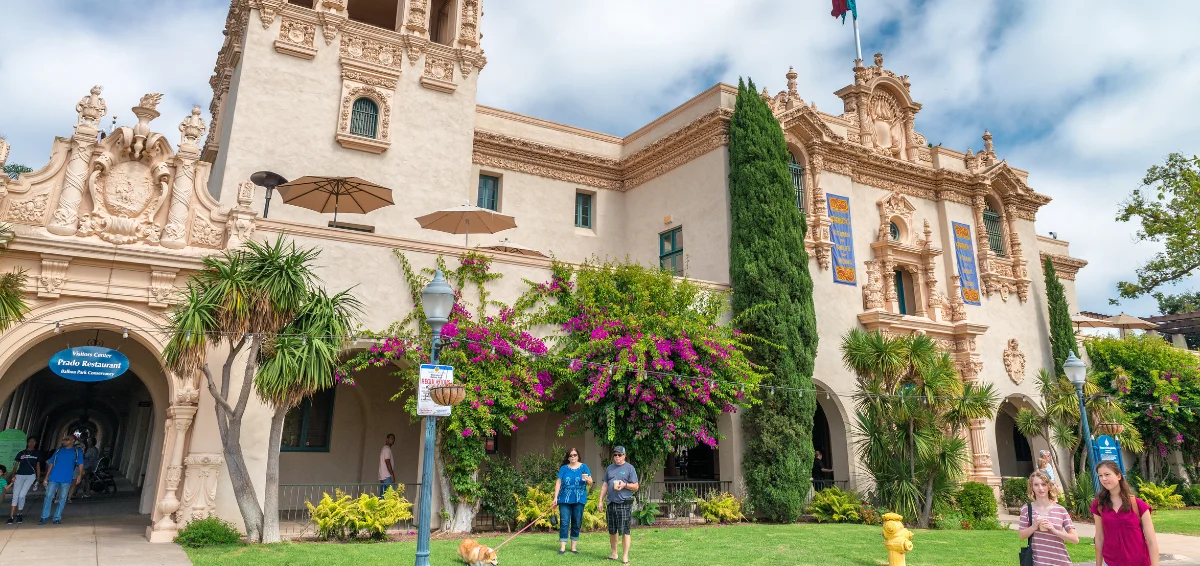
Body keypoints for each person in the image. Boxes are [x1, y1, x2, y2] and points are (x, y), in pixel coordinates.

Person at [1091, 460, 1160, 566]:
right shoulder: (1098, 505)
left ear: (1118, 476)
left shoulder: (1138, 505)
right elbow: (1099, 538)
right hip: (1111, 562)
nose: (1103, 479)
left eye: (1107, 474)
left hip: (1140, 562)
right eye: (1100, 475)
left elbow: (1151, 541)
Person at [1018, 470, 1078, 565]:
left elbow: (1075, 539)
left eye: (1043, 484)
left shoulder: (1060, 510)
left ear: (1049, 486)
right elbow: (1021, 535)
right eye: (1036, 485)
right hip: (1038, 562)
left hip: (1061, 561)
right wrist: (1033, 527)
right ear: (1032, 487)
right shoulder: (1026, 509)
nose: (1040, 488)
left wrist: (1054, 530)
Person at [598, 446, 639, 566]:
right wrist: (600, 500)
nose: (617, 457)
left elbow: (636, 486)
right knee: (612, 530)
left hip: (624, 503)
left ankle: (625, 556)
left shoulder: (630, 468)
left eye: (619, 455)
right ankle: (614, 553)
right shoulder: (610, 468)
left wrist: (625, 485)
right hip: (611, 503)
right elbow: (605, 485)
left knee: (625, 530)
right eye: (615, 455)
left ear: (624, 456)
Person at [551, 447, 592, 555]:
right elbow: (558, 483)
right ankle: (562, 547)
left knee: (576, 522)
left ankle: (573, 547)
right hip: (564, 499)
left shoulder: (584, 467)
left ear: (578, 456)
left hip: (579, 499)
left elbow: (591, 482)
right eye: (571, 455)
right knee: (564, 522)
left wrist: (588, 480)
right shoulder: (564, 468)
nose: (573, 457)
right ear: (568, 458)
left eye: (575, 455)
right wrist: (555, 497)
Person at [40, 435, 84, 525]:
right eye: (63, 439)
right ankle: (44, 516)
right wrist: (46, 477)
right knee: (48, 496)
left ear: (73, 441)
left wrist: (79, 475)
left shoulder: (77, 451)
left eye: (67, 439)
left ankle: (57, 517)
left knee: (62, 498)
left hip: (66, 478)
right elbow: (51, 463)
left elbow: (80, 463)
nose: (64, 441)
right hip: (54, 477)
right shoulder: (58, 450)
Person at [9, 438, 41, 524]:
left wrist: (38, 479)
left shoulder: (36, 454)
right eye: (30, 441)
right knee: (15, 495)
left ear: (36, 443)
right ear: (27, 443)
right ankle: (11, 516)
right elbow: (16, 465)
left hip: (30, 476)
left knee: (22, 495)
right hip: (19, 475)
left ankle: (19, 514)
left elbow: (38, 466)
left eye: (34, 442)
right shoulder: (21, 453)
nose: (32, 443)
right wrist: (13, 475)